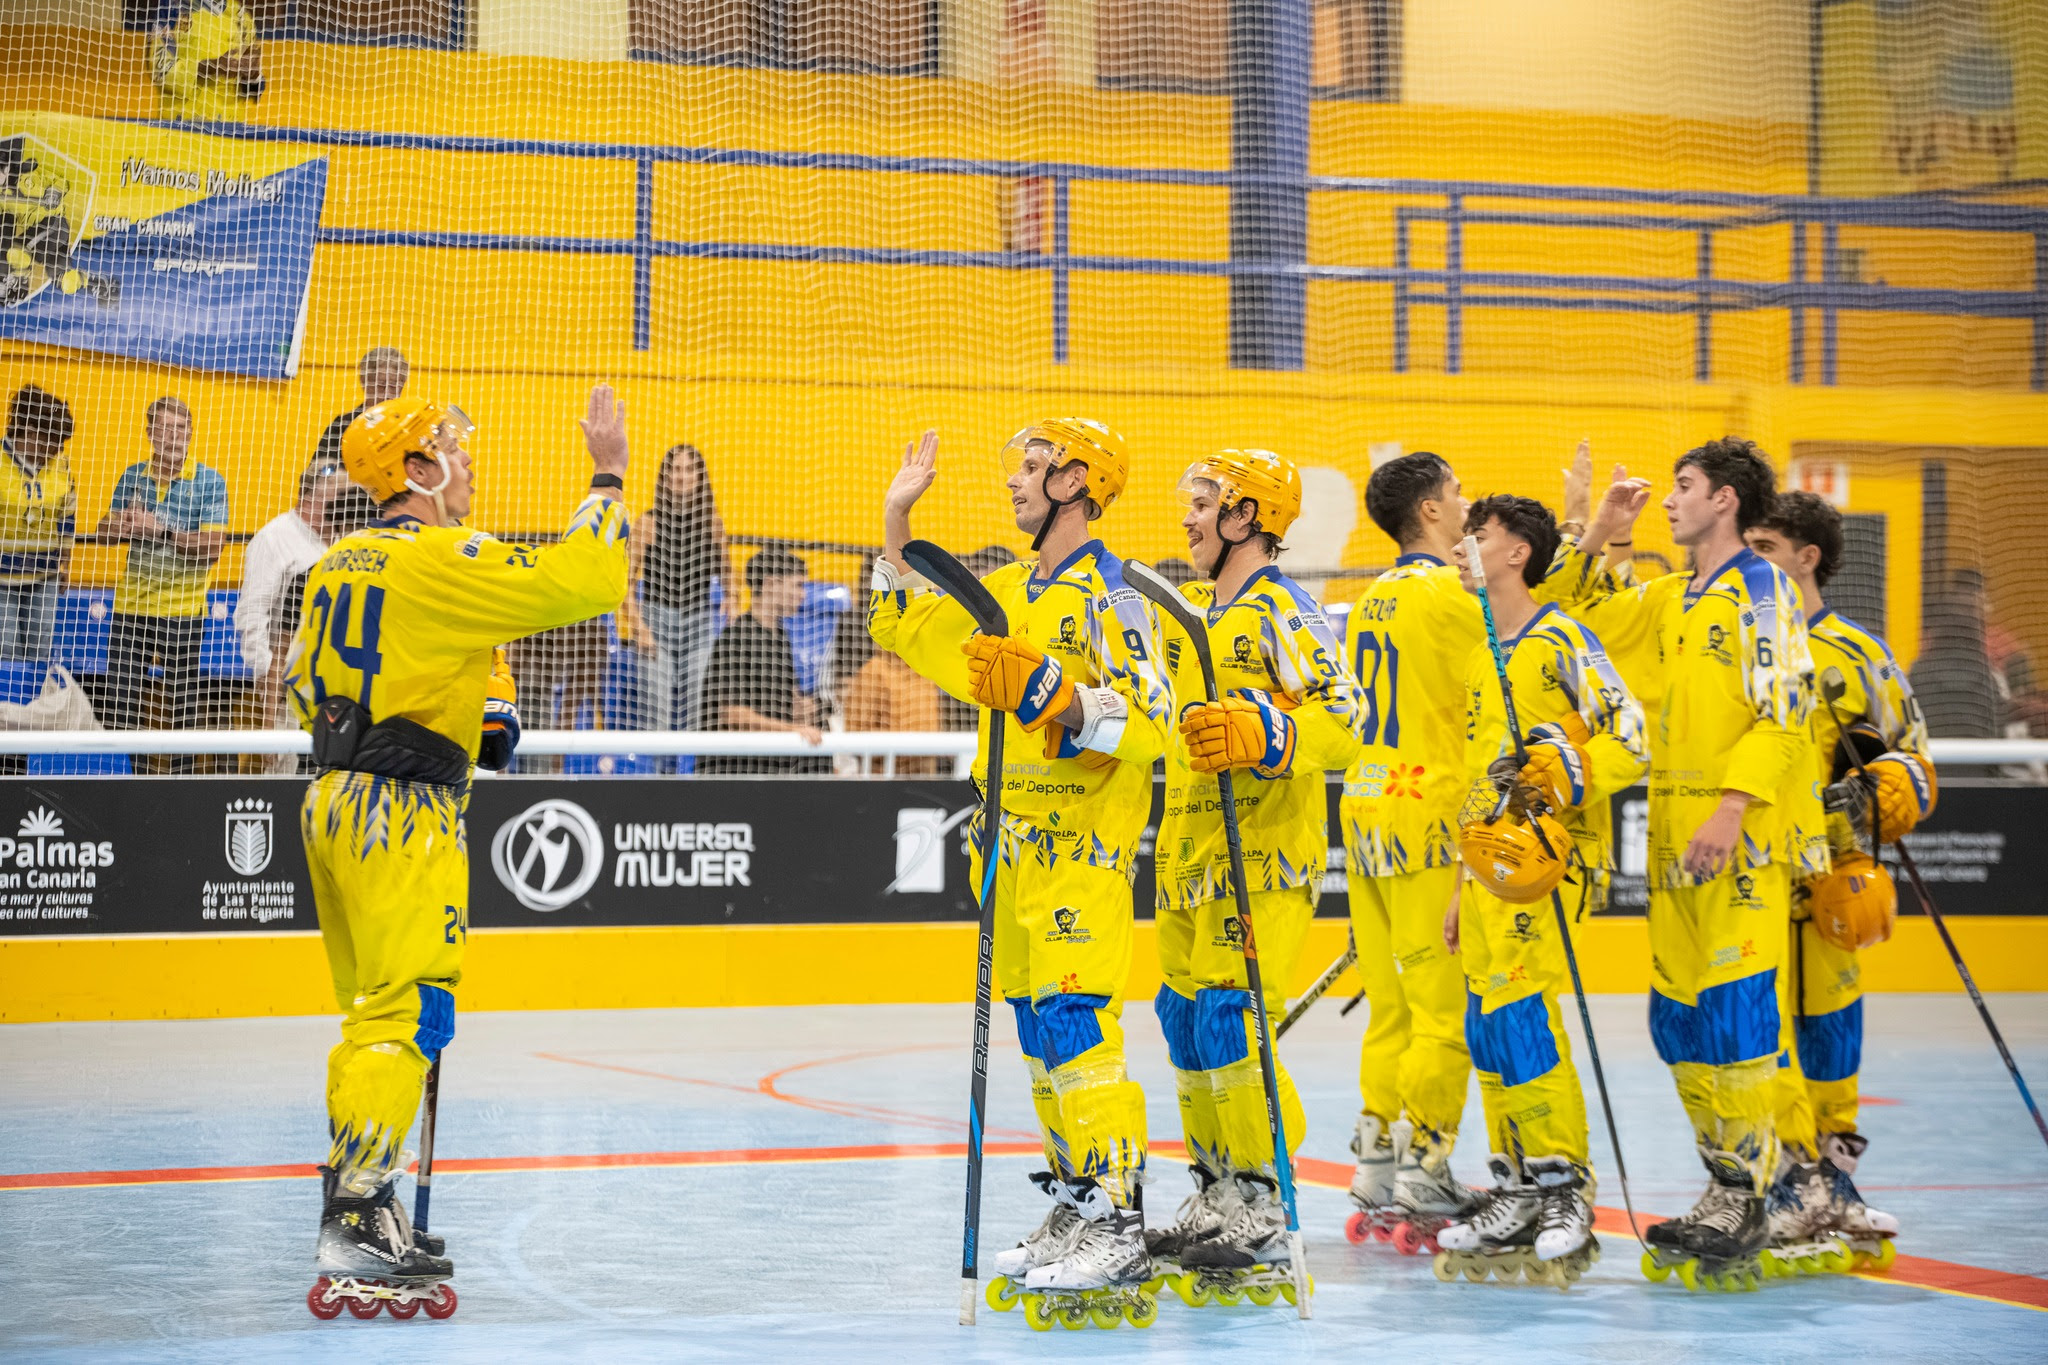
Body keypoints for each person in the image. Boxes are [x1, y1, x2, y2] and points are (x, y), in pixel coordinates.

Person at [284, 386, 630, 1301]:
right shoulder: (441, 552)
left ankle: (360, 1199)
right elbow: (588, 579)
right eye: (451, 448)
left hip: (332, 795)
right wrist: (606, 477)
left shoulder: (334, 563)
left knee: (372, 1015)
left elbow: (301, 685)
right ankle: (358, 1216)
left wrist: (463, 697)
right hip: (404, 812)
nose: (467, 461)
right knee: (403, 1016)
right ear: (416, 470)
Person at [870, 421, 1169, 1316]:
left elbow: (1153, 723)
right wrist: (895, 519)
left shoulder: (1117, 597)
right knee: (1040, 1029)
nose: (1016, 481)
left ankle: (1120, 1216)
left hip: (1083, 849)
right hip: (1011, 850)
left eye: (1035, 468)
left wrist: (1058, 696)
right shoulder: (1001, 590)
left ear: (1078, 483)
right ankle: (1079, 1201)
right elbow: (906, 624)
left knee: (1077, 1022)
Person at [1563, 441, 1826, 1283]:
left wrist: (1733, 805)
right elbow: (1573, 621)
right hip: (1674, 845)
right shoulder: (1671, 595)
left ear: (1726, 500)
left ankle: (1752, 1192)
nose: (1669, 501)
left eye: (1682, 487)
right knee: (1677, 1022)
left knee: (1736, 1018)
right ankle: (1722, 1181)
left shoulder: (1764, 590)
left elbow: (1785, 713)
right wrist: (1600, 531)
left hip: (1739, 839)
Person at [1145, 449, 1362, 1289]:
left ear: (1246, 516)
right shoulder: (1193, 611)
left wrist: (1269, 733)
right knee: (1186, 1019)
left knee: (1232, 1019)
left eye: (1204, 504)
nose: (1188, 518)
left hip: (1261, 858)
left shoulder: (1282, 608)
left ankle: (1267, 1196)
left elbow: (1346, 718)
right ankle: (1217, 1185)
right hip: (1190, 856)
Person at [1432, 495, 1646, 1280]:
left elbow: (1631, 735)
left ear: (1518, 552)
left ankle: (1564, 1186)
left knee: (1523, 1015)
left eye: (1478, 536)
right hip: (1488, 872)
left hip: (1550, 868)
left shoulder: (1563, 638)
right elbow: (1477, 784)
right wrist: (1462, 884)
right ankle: (1516, 1182)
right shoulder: (1479, 653)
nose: (1462, 547)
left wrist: (1568, 772)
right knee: (1487, 1024)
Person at [1746, 491, 1932, 1259]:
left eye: (1764, 546)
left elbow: (1914, 755)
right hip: (1754, 875)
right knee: (1759, 1032)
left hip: (1831, 880)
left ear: (1807, 556)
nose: (1750, 558)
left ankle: (1834, 1180)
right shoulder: (1740, 641)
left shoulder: (1860, 653)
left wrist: (1885, 790)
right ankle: (1781, 1178)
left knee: (1831, 1031)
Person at [1339, 451, 1488, 1237]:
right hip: (1426, 815)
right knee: (1438, 1010)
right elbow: (1512, 664)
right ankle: (1426, 1165)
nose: (1467, 504)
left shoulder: (1369, 599)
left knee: (1387, 1007)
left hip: (1365, 806)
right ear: (1430, 510)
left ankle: (1376, 1163)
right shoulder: (1451, 595)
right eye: (1458, 492)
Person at [98, 397, 229, 754]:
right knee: (122, 706)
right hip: (130, 608)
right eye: (165, 428)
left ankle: (182, 782)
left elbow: (213, 548)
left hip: (183, 611)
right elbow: (103, 531)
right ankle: (128, 779)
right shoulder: (133, 476)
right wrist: (123, 524)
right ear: (150, 433)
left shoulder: (209, 481)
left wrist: (160, 532)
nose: (174, 436)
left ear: (191, 433)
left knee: (183, 709)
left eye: (181, 428)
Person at [237, 459, 373, 734]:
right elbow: (252, 612)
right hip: (288, 681)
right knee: (287, 757)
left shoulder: (349, 540)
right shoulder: (273, 538)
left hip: (341, 684)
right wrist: (269, 674)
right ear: (309, 496)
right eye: (339, 497)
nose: (344, 506)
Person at [620, 443, 737, 732]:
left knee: (700, 711)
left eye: (688, 469)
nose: (682, 476)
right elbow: (623, 584)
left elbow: (728, 573)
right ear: (666, 477)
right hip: (656, 625)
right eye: (675, 469)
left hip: (699, 626)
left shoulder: (712, 524)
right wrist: (639, 629)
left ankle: (695, 763)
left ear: (699, 477)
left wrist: (732, 600)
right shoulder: (648, 523)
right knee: (655, 715)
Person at [699, 547, 827, 776]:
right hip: (732, 772)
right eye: (798, 585)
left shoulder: (780, 637)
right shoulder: (736, 639)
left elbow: (783, 699)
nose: (803, 595)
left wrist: (803, 707)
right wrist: (793, 729)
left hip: (770, 768)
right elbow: (733, 715)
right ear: (770, 583)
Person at [0, 384, 77, 662]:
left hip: (45, 576)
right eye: (52, 441)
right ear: (30, 432)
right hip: (2, 578)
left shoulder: (62, 465)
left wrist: (64, 562)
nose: (57, 449)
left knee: (40, 655)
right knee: (6, 652)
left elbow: (67, 515)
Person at [151, 0, 263, 123]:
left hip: (230, 126)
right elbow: (159, 68)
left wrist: (254, 76)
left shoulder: (242, 15)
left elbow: (254, 91)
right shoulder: (173, 7)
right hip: (183, 124)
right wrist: (209, 67)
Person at [314, 349, 410, 473]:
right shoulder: (343, 425)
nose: (387, 393)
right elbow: (318, 472)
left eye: (393, 385)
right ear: (364, 382)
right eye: (381, 385)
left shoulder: (410, 423)